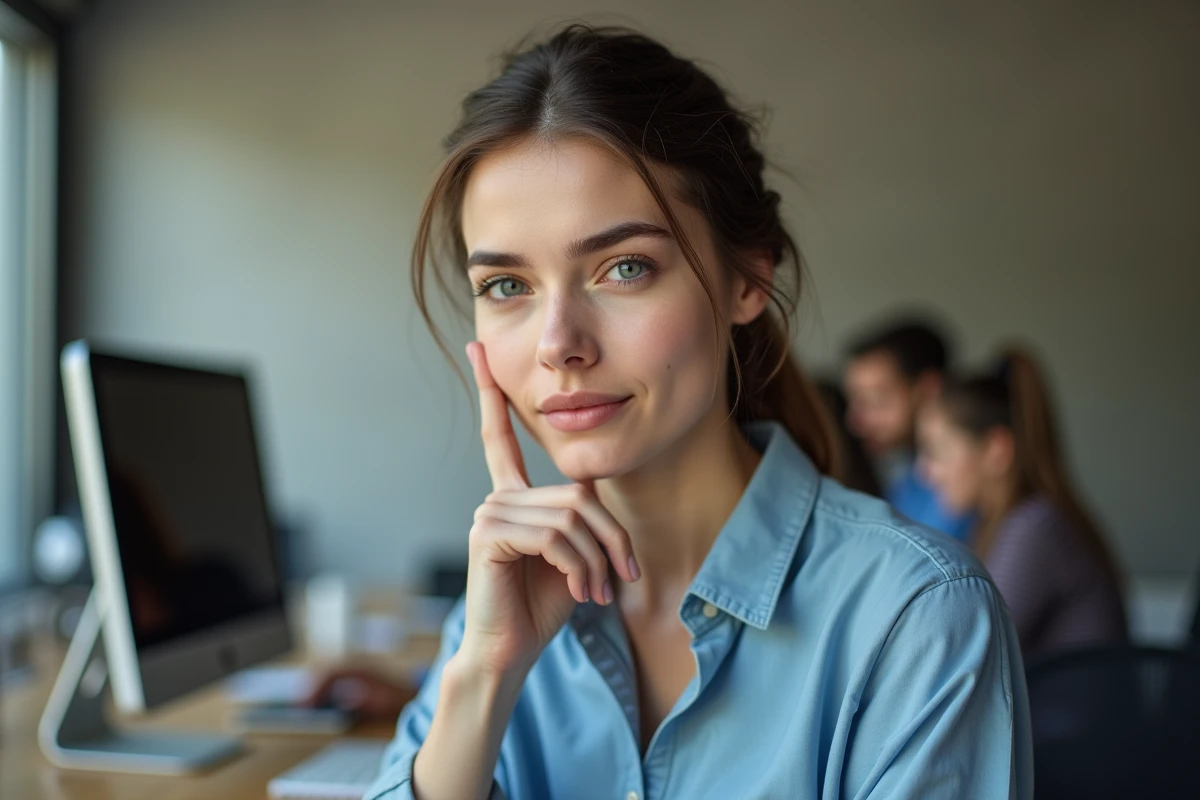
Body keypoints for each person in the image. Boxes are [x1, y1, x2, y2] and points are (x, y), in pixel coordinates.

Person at [363, 25, 1031, 800]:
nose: (558, 345)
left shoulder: (918, 617)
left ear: (747, 279)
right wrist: (483, 676)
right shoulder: (496, 610)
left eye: (624, 268)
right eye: (507, 286)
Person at [917, 347, 1127, 659]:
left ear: (997, 450)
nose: (924, 471)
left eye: (938, 451)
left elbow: (966, 650)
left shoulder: (1035, 528)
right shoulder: (1005, 523)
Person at [843, 319, 976, 540]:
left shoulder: (958, 484)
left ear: (927, 389)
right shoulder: (904, 474)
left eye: (875, 401)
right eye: (855, 402)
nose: (855, 422)